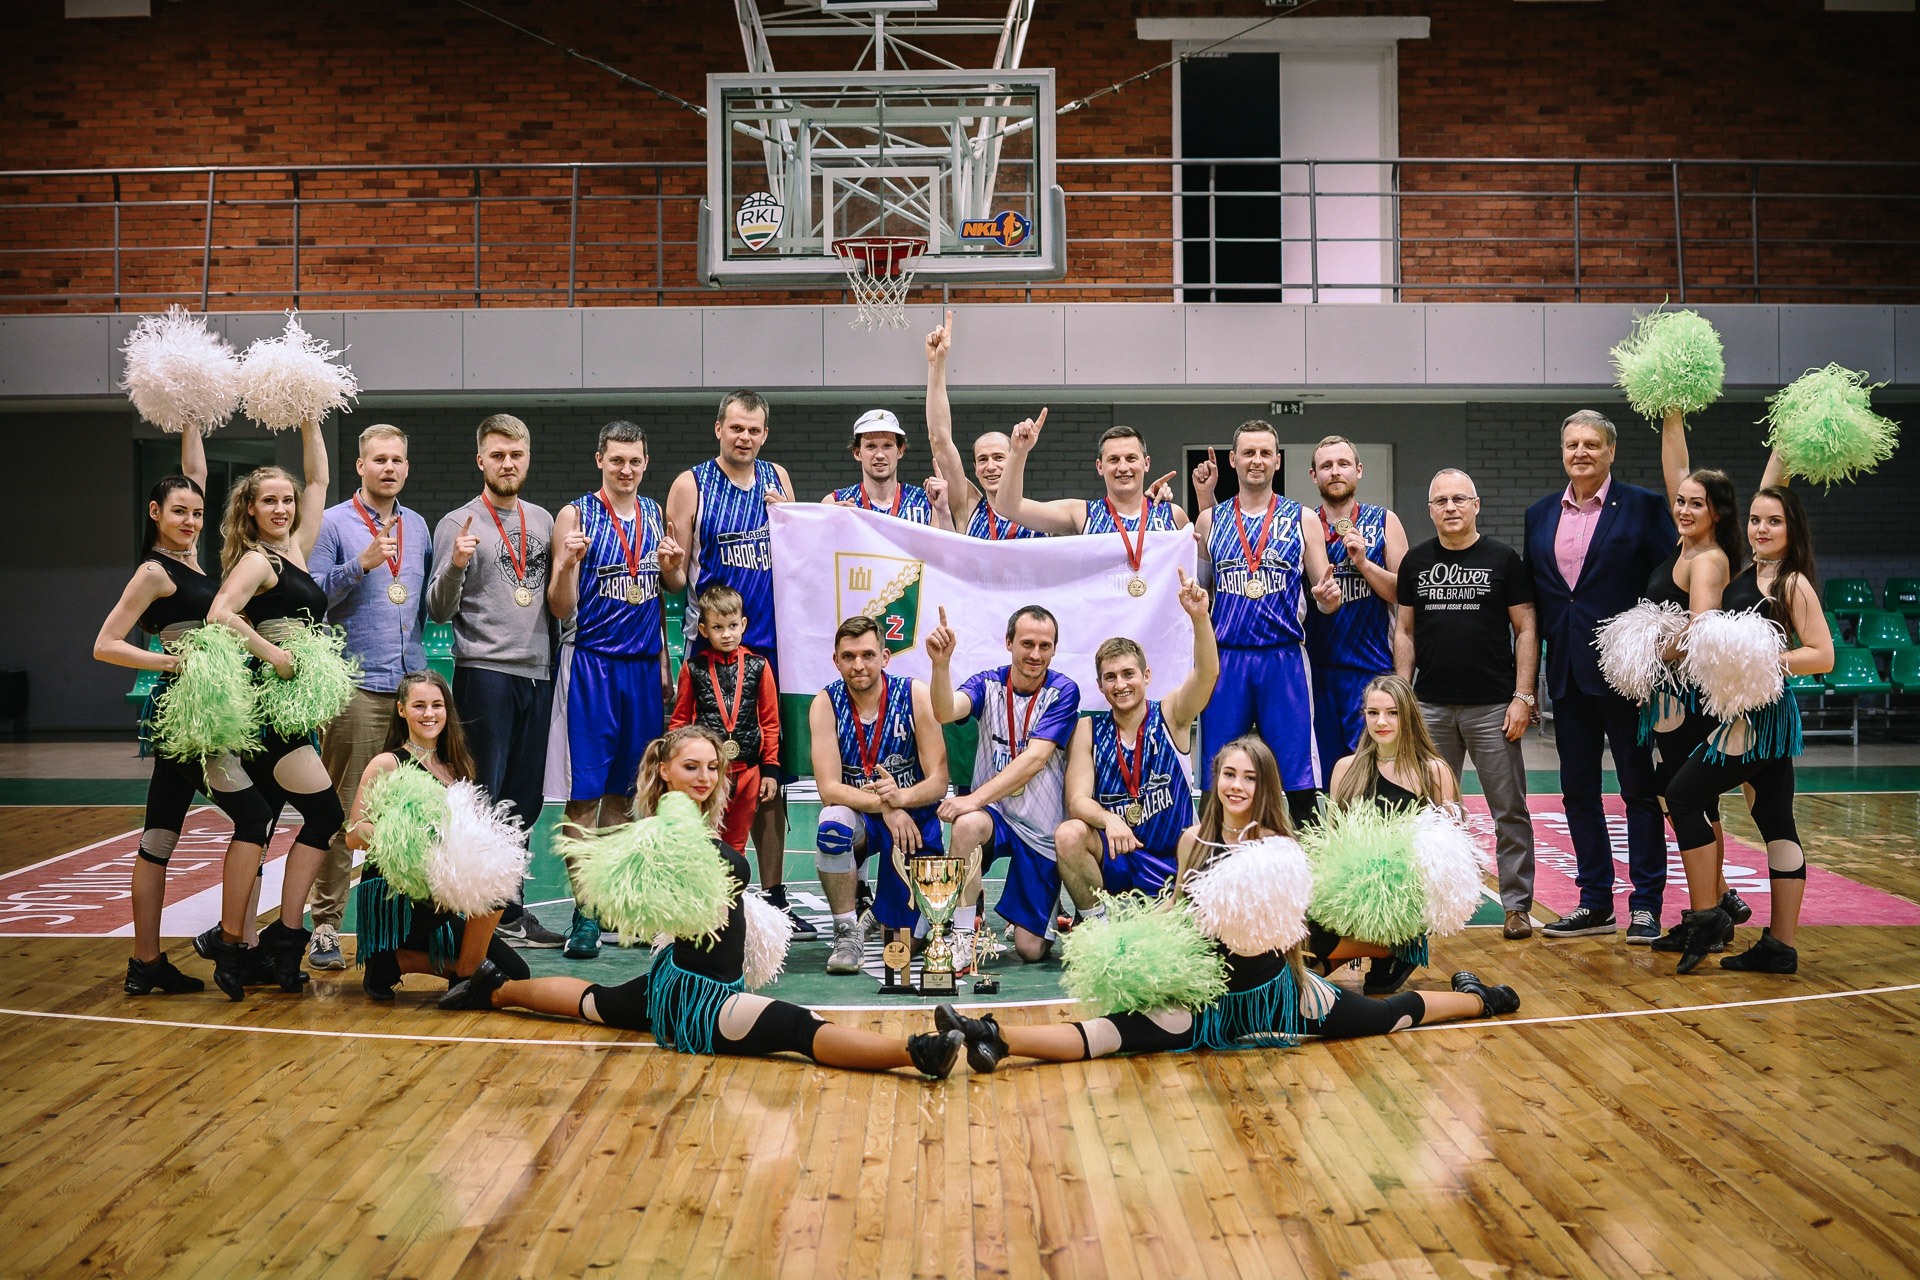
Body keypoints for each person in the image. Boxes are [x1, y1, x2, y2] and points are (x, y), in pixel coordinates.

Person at [936, 736, 1520, 1072]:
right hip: (1206, 1001)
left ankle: (1481, 999)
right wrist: (1133, 938)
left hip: (1277, 995)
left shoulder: (1278, 847)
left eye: (1249, 778)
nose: (1237, 786)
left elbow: (1284, 932)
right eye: (1228, 775)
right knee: (1107, 1035)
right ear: (1215, 780)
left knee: (1388, 1016)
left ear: (1265, 786)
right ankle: (995, 1035)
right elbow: (1176, 908)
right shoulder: (1193, 840)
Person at [440, 726, 966, 1079]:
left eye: (713, 767)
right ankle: (916, 1052)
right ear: (665, 770)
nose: (706, 777)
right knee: (803, 1028)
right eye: (692, 766)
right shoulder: (670, 823)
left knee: (592, 1001)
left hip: (675, 978)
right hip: (706, 999)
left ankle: (495, 990)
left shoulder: (690, 818)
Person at [93, 426, 276, 996]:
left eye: (197, 513)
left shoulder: (189, 559)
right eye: (179, 512)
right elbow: (105, 644)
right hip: (188, 717)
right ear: (155, 513)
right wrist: (172, 662)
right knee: (254, 818)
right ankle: (229, 943)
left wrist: (192, 417)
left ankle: (146, 962)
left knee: (160, 838)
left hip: (205, 711)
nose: (191, 520)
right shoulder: (154, 571)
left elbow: (194, 474)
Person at [1662, 479, 1833, 976]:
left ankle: (1708, 916)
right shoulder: (1746, 574)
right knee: (1776, 823)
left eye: (1774, 521)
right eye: (1756, 519)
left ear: (1792, 528)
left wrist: (1763, 660)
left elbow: (1822, 655)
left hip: (1760, 719)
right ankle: (1779, 946)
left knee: (1683, 795)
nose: (1762, 528)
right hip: (1743, 714)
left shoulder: (1792, 583)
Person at [205, 419, 344, 997]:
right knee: (324, 816)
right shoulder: (259, 561)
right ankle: (273, 941)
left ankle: (245, 948)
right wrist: (276, 654)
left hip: (291, 709)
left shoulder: (297, 551)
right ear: (251, 509)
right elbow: (219, 613)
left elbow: (320, 481)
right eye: (270, 501)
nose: (283, 508)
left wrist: (310, 418)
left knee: (260, 826)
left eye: (287, 500)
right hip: (269, 708)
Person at [1526, 410, 1675, 941]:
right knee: (1577, 792)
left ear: (1611, 451)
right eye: (1572, 444)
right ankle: (1594, 902)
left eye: (1591, 444)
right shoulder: (1539, 513)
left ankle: (1646, 904)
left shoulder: (1643, 506)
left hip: (1626, 673)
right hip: (1566, 672)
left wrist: (1657, 647)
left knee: (1638, 790)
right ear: (1562, 451)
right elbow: (1545, 596)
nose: (1581, 452)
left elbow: (1669, 582)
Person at [547, 420, 686, 959]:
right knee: (585, 795)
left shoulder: (654, 513)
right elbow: (560, 606)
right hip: (592, 666)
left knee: (630, 796)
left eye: (634, 461)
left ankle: (617, 902)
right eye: (616, 460)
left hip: (643, 669)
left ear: (645, 463)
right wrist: (566, 565)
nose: (625, 469)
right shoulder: (576, 515)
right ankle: (584, 913)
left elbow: (666, 590)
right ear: (599, 460)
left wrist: (664, 658)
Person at [665, 391, 802, 931]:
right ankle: (697, 885)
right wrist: (669, 569)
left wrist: (801, 516)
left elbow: (799, 554)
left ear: (765, 434)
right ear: (718, 428)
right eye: (736, 428)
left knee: (770, 777)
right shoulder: (691, 484)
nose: (745, 437)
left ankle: (772, 895)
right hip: (710, 649)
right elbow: (676, 576)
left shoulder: (778, 478)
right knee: (701, 771)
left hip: (770, 649)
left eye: (754, 429)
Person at [427, 413, 564, 948]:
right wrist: (456, 565)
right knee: (485, 795)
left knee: (525, 800)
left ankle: (509, 909)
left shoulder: (544, 520)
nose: (508, 464)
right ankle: (478, 912)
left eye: (516, 455)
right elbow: (438, 610)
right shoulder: (457, 523)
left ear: (528, 459)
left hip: (537, 673)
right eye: (498, 455)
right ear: (480, 460)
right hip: (484, 672)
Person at [304, 424, 432, 970]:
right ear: (360, 466)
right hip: (355, 687)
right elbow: (310, 596)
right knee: (342, 810)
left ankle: (391, 929)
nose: (389, 468)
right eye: (379, 459)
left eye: (397, 460)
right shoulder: (333, 523)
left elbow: (422, 603)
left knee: (403, 814)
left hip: (408, 689)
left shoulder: (418, 526)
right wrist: (360, 564)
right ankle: (325, 927)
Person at [1394, 469, 1539, 942]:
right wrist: (1401, 698)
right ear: (1430, 510)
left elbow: (1526, 629)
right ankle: (1428, 905)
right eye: (1441, 501)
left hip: (1493, 707)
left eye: (1459, 499)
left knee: (1509, 811)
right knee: (1429, 812)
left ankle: (1516, 907)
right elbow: (1405, 631)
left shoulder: (1503, 560)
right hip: (1431, 708)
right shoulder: (1415, 562)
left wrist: (1523, 696)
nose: (1450, 507)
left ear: (1476, 505)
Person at [1192, 420, 1343, 822]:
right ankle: (1211, 858)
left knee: (1299, 777)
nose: (1256, 460)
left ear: (1278, 461)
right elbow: (1200, 599)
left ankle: (1308, 859)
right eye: (1248, 453)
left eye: (1264, 453)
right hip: (1226, 660)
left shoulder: (1303, 519)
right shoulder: (1209, 521)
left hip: (1284, 659)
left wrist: (1329, 599)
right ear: (1233, 460)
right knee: (1215, 774)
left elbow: (1325, 595)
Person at [1642, 409, 1750, 951]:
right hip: (1671, 698)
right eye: (1680, 501)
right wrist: (1672, 413)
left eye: (1695, 504)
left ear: (1717, 512)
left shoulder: (1706, 560)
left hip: (1688, 698)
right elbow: (1677, 469)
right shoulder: (1687, 544)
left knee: (1688, 803)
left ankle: (1708, 912)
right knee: (1685, 802)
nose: (1683, 508)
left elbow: (1702, 627)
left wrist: (1655, 647)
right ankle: (1718, 900)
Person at [1055, 571, 1219, 922]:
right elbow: (1077, 801)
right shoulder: (1088, 729)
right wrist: (1108, 819)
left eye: (1128, 674)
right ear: (1100, 686)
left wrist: (1199, 618)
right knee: (1069, 834)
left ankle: (1172, 910)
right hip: (1118, 856)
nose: (1121, 684)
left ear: (1146, 676)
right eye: (1110, 677)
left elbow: (1207, 675)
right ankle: (1097, 926)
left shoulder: (1172, 714)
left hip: (1172, 861)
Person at [342, 670, 514, 1000]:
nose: (429, 713)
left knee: (515, 972)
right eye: (419, 705)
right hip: (397, 896)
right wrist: (407, 838)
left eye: (437, 705)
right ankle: (462, 977)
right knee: (493, 904)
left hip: (438, 892)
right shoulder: (387, 763)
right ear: (401, 710)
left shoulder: (456, 766)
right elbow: (353, 833)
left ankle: (399, 962)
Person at [926, 604, 1081, 964]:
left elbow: (1035, 759)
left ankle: (1038, 912)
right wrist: (941, 665)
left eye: (1044, 646)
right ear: (1009, 642)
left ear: (1054, 649)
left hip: (1041, 830)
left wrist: (973, 798)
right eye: (1027, 644)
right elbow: (946, 711)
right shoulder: (988, 684)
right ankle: (963, 934)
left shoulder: (1063, 691)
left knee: (1030, 950)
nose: (1035, 654)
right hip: (995, 815)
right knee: (967, 824)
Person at [808, 615, 951, 976]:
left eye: (868, 655)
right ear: (836, 660)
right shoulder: (826, 703)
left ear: (885, 657)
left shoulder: (914, 694)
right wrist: (886, 806)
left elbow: (938, 782)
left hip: (913, 822)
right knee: (832, 823)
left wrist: (900, 801)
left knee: (900, 948)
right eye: (849, 656)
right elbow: (829, 789)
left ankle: (879, 914)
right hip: (866, 817)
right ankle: (846, 932)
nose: (858, 665)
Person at [1321, 673, 1465, 994]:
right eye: (1373, 713)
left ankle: (1401, 946)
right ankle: (1372, 946)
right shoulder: (1346, 768)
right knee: (1305, 963)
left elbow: (1451, 856)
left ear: (1408, 715)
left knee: (1378, 988)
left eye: (1392, 713)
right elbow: (1333, 839)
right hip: (1355, 894)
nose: (1381, 722)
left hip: (1404, 901)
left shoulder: (1432, 770)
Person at [1302, 435, 1408, 787]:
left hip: (1371, 669)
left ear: (1358, 471)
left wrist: (1363, 563)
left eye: (1343, 464)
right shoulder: (1303, 524)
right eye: (1326, 466)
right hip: (1317, 671)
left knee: (1375, 771)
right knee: (1328, 775)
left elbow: (1405, 593)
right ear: (1314, 475)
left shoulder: (1385, 521)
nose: (1335, 472)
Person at [668, 584, 782, 886]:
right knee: (703, 841)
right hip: (707, 775)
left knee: (736, 846)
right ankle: (698, 900)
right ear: (703, 630)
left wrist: (770, 770)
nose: (727, 634)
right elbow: (680, 722)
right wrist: (674, 770)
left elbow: (770, 722)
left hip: (748, 772)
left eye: (732, 626)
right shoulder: (693, 668)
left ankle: (731, 906)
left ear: (743, 624)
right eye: (718, 627)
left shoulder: (759, 666)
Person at [921, 310, 1043, 540]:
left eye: (998, 457)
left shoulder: (1038, 516)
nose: (990, 466)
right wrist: (936, 364)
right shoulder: (967, 508)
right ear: (975, 468)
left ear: (1013, 460)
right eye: (983, 460)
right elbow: (939, 439)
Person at [993, 415, 1188, 538]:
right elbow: (1009, 507)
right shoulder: (1083, 514)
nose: (1123, 467)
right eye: (1113, 459)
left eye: (1131, 458)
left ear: (1146, 463)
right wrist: (1018, 452)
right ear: (1100, 466)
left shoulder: (1173, 515)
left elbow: (1197, 569)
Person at [822, 408, 933, 523]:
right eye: (871, 446)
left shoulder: (925, 502)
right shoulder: (835, 502)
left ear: (900, 451)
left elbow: (944, 535)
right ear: (857, 453)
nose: (880, 455)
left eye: (887, 446)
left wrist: (942, 511)